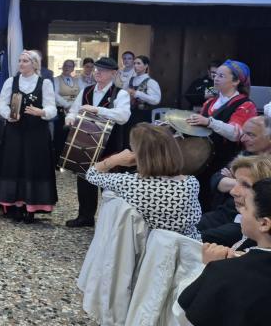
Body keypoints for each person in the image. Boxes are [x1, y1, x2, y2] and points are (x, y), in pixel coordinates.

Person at [177, 178, 271, 326]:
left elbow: (188, 320)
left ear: (264, 223)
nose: (240, 212)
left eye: (245, 208)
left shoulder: (229, 272)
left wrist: (207, 267)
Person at [85, 123, 202, 239]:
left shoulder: (130, 182)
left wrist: (113, 160)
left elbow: (91, 174)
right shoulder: (191, 183)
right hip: (188, 249)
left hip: (150, 250)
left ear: (138, 154)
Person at [65, 57, 131, 227]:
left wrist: (97, 109)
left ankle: (110, 221)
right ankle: (85, 216)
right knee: (84, 178)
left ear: (113, 73)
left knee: (109, 182)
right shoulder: (86, 91)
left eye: (102, 70)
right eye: (96, 69)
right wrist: (70, 118)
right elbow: (74, 110)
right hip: (85, 142)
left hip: (110, 144)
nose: (97, 73)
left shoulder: (120, 93)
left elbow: (123, 116)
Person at [0, 50, 58, 223]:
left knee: (33, 166)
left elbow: (52, 108)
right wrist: (9, 115)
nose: (21, 64)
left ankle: (31, 207)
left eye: (25, 61)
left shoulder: (44, 83)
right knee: (14, 165)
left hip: (36, 133)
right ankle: (16, 206)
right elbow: (1, 103)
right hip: (15, 131)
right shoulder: (11, 81)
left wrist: (41, 111)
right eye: (20, 60)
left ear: (34, 64)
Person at [186, 59, 257, 210]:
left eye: (221, 76)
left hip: (225, 161)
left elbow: (235, 133)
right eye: (216, 75)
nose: (216, 79)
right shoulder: (210, 102)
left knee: (215, 201)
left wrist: (209, 122)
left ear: (236, 81)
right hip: (203, 160)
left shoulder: (246, 105)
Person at [198, 116, 271, 244]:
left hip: (250, 219)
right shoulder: (246, 154)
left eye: (251, 135)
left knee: (197, 237)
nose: (243, 139)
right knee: (188, 227)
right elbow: (216, 180)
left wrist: (234, 179)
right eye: (244, 134)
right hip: (226, 212)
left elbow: (263, 192)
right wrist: (243, 183)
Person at [123, 54, 161, 142]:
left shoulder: (151, 82)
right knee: (128, 138)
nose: (135, 66)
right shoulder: (130, 80)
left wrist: (137, 93)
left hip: (143, 115)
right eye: (135, 63)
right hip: (129, 113)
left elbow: (156, 100)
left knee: (141, 139)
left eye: (139, 63)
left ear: (146, 66)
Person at [53, 59, 82, 165]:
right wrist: (67, 105)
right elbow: (55, 95)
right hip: (61, 112)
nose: (67, 68)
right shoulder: (56, 79)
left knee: (74, 139)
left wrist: (75, 107)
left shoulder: (77, 80)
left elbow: (82, 94)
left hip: (75, 112)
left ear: (73, 68)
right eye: (65, 65)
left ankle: (71, 162)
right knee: (60, 137)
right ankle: (58, 162)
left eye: (70, 66)